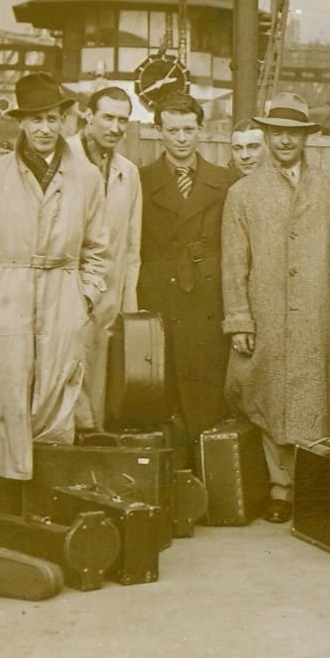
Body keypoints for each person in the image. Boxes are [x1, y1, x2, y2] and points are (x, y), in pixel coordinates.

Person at [0, 73, 108, 509]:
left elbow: (99, 249)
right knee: (2, 407)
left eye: (52, 119)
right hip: (5, 297)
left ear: (64, 121)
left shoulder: (87, 178)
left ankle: (45, 515)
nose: (44, 129)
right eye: (35, 119)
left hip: (63, 298)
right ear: (19, 123)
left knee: (55, 404)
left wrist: (86, 297)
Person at [221, 92, 330, 524]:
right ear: (267, 135)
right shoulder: (243, 194)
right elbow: (234, 262)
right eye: (277, 133)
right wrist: (239, 318)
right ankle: (280, 486)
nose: (284, 141)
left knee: (317, 397)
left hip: (318, 311)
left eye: (293, 133)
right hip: (267, 311)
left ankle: (311, 483)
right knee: (267, 394)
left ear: (305, 137)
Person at [137, 91, 236, 460]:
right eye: (173, 130)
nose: (181, 139)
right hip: (159, 294)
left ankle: (210, 474)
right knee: (163, 385)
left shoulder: (225, 181)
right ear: (159, 132)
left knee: (208, 381)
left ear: (201, 131)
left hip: (209, 295)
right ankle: (170, 475)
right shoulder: (141, 180)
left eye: (188, 130)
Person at [68, 86, 142, 430]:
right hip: (66, 293)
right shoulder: (62, 158)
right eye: (107, 117)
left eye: (122, 120)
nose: (115, 127)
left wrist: (127, 304)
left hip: (108, 299)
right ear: (88, 115)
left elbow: (131, 247)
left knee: (98, 387)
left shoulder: (128, 172)